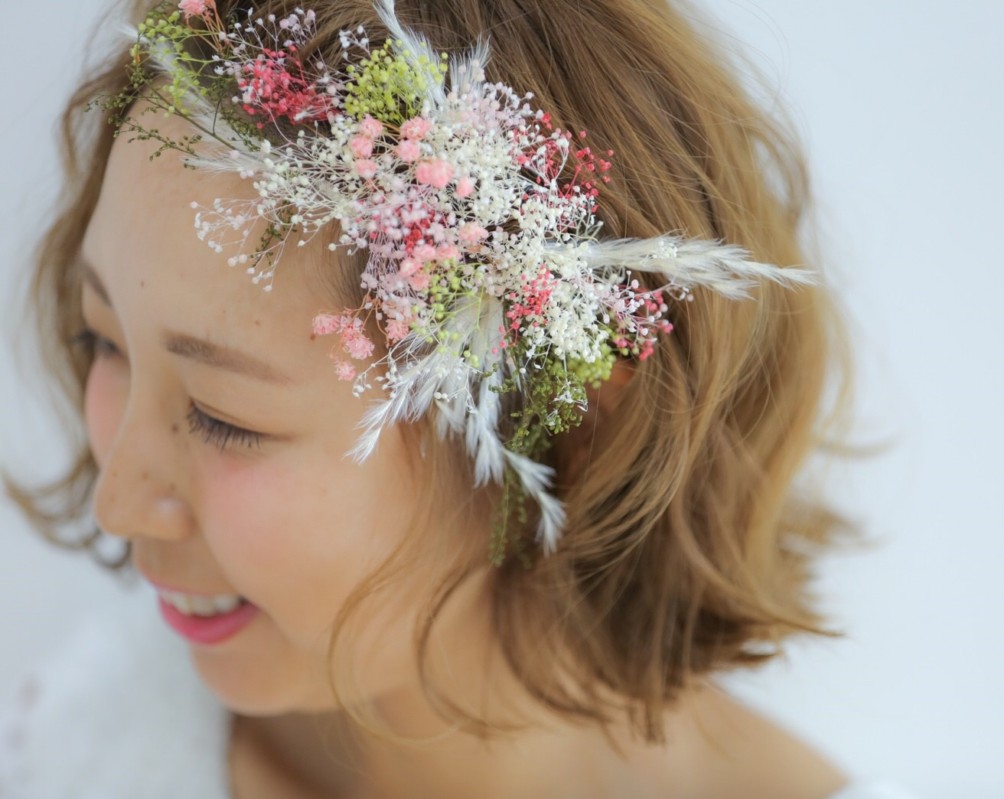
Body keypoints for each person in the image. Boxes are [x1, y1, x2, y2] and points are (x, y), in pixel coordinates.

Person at [1, 0, 918, 796]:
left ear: (571, 420)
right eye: (101, 340)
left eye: (224, 417)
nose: (115, 503)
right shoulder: (62, 735)